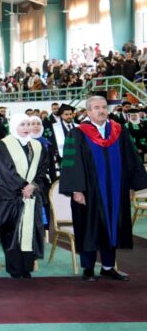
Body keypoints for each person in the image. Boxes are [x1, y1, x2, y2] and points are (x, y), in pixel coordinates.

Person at [60, 96, 147, 282]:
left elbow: (131, 158)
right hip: (89, 191)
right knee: (89, 228)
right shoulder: (78, 133)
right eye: (96, 108)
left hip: (116, 189)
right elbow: (71, 163)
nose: (101, 110)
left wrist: (131, 186)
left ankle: (108, 267)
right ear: (88, 112)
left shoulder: (119, 131)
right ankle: (88, 268)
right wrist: (76, 189)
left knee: (112, 226)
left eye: (104, 107)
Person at [0, 114, 49, 278]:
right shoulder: (2, 145)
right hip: (9, 196)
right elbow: (5, 170)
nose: (26, 128)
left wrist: (33, 185)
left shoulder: (37, 146)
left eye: (28, 124)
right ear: (14, 126)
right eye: (22, 124)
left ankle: (27, 267)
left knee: (30, 231)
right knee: (11, 232)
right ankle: (15, 268)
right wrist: (23, 186)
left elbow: (43, 169)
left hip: (31, 195)